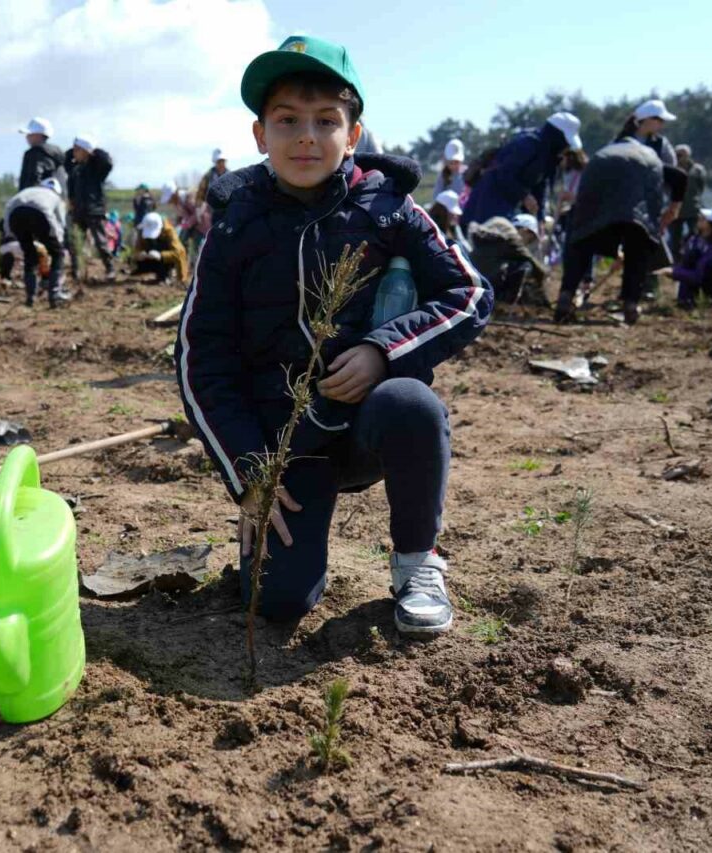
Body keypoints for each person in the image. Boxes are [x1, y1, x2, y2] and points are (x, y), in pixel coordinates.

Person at [176, 34, 491, 634]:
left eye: (326, 120)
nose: (306, 136)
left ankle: (417, 563)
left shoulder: (389, 207)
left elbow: (470, 293)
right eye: (287, 120)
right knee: (277, 603)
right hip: (283, 441)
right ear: (260, 134)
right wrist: (249, 471)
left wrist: (383, 351)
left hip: (369, 421)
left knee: (412, 403)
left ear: (352, 135)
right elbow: (200, 358)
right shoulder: (234, 228)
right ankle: (272, 549)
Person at [554, 138, 687, 325]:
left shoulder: (602, 156)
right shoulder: (650, 159)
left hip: (596, 197)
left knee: (581, 241)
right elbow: (680, 177)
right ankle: (630, 305)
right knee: (638, 249)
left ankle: (566, 296)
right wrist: (674, 209)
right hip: (634, 210)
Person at [462, 111, 582, 226]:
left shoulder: (547, 156)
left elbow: (540, 186)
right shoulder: (527, 144)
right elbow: (503, 174)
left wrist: (539, 218)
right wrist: (524, 196)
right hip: (488, 203)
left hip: (508, 207)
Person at [4, 176, 69, 307]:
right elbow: (61, 223)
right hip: (39, 215)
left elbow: (8, 207)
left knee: (30, 255)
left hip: (15, 215)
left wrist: (9, 231)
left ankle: (30, 297)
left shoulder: (28, 190)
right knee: (57, 254)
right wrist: (59, 243)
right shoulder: (56, 197)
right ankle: (55, 294)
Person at [467, 214, 548, 307]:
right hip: (486, 283)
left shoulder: (497, 224)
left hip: (471, 278)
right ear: (525, 230)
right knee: (524, 265)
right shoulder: (512, 237)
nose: (527, 243)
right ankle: (506, 305)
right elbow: (530, 259)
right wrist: (543, 275)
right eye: (530, 239)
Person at [65, 134, 115, 281]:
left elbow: (107, 161)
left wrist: (92, 149)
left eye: (77, 150)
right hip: (78, 211)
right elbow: (66, 160)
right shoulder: (75, 169)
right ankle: (76, 271)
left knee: (101, 242)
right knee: (75, 242)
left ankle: (110, 269)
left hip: (94, 210)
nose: (74, 152)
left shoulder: (97, 168)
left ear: (86, 151)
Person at [669, 144, 707, 257]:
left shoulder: (697, 169)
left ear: (688, 155)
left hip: (693, 207)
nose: (678, 157)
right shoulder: (671, 168)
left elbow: (701, 186)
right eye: (677, 154)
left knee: (695, 233)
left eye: (681, 155)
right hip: (676, 208)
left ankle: (693, 255)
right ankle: (676, 258)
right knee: (675, 236)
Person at [130, 212, 189, 282]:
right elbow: (137, 249)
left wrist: (161, 255)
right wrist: (139, 254)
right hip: (149, 258)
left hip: (164, 261)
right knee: (137, 261)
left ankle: (165, 275)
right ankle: (142, 272)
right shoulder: (142, 231)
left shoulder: (169, 232)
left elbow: (179, 253)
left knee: (168, 258)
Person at [617, 99, 677, 166]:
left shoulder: (662, 144)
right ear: (647, 119)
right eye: (660, 120)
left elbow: (671, 168)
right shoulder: (619, 142)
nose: (662, 124)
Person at [18, 117, 66, 190]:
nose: (27, 136)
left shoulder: (34, 153)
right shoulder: (58, 156)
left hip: (37, 195)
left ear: (39, 135)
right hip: (57, 196)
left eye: (30, 134)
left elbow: (33, 179)